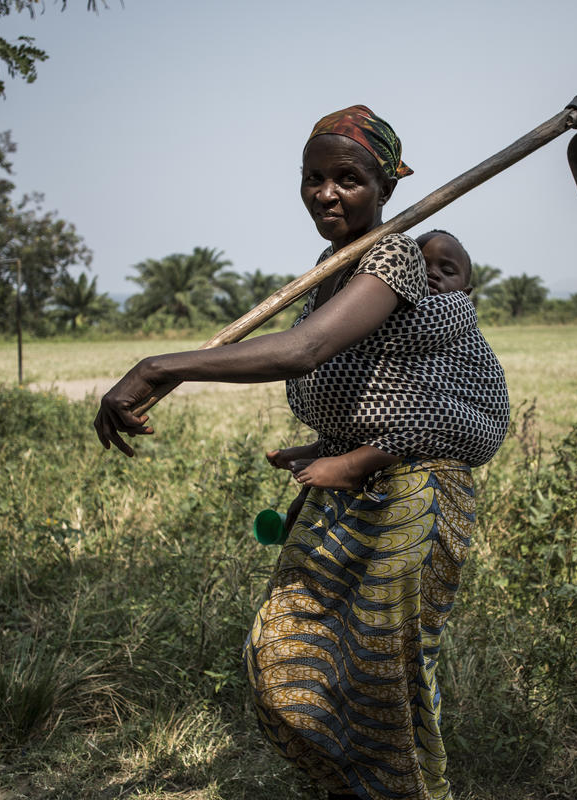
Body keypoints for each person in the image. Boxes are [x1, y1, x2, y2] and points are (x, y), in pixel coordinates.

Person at [93, 105, 509, 800]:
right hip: (344, 492)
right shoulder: (331, 266)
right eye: (313, 178)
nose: (326, 193)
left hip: (412, 493)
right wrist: (328, 439)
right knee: (284, 656)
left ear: (385, 187)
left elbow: (307, 349)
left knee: (385, 679)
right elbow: (366, 374)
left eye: (347, 178)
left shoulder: (396, 254)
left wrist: (162, 366)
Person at [266, 229, 483, 492]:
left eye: (447, 271)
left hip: (457, 419)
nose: (432, 274)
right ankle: (326, 447)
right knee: (368, 393)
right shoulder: (398, 304)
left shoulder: (451, 309)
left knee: (417, 412)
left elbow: (355, 335)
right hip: (396, 412)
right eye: (422, 266)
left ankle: (351, 466)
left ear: (465, 290)